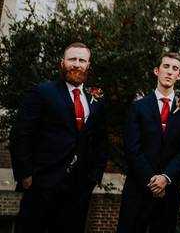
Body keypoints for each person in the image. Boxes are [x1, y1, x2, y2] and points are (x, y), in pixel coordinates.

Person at [10, 42, 108, 233]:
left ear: (88, 65)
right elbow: (21, 134)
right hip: (43, 183)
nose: (77, 64)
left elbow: (100, 141)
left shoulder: (96, 98)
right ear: (62, 63)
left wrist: (94, 176)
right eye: (72, 59)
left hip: (79, 188)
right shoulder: (41, 92)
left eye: (82, 60)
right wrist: (25, 175)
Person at [117, 52, 180, 233]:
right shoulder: (138, 107)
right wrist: (152, 181)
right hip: (138, 188)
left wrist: (165, 178)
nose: (170, 72)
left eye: (175, 69)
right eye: (166, 67)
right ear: (156, 71)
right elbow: (132, 148)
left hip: (168, 192)